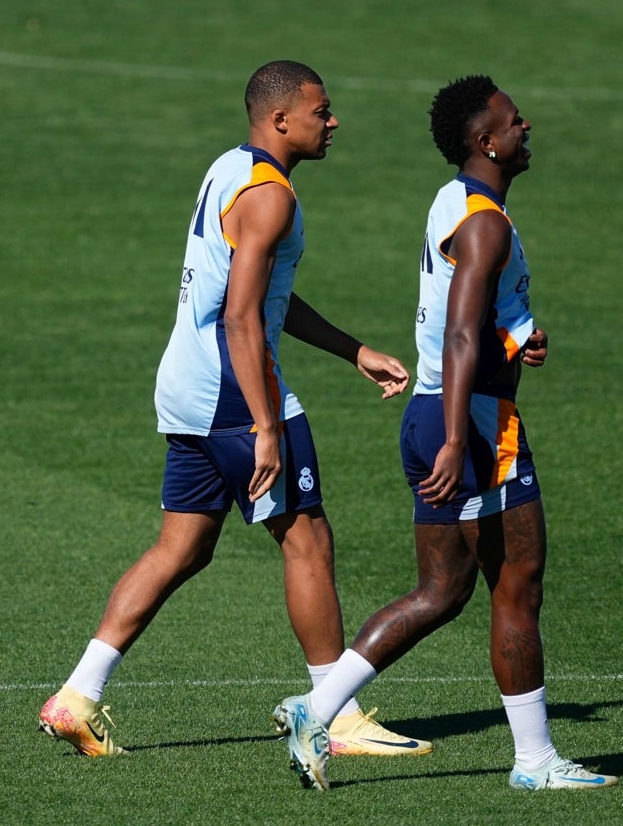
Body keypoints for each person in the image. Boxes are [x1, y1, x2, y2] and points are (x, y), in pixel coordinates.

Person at [38, 60, 431, 760]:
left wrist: (354, 350)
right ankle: (333, 717)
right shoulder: (270, 197)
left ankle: (76, 697)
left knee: (181, 546)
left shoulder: (231, 169)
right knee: (306, 538)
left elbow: (263, 291)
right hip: (233, 393)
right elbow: (243, 320)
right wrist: (267, 426)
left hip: (186, 385)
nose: (333, 121)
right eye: (322, 110)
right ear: (281, 120)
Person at [272, 75, 618, 791]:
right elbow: (460, 332)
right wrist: (462, 439)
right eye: (514, 121)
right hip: (472, 424)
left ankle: (319, 707)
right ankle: (535, 762)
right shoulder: (487, 223)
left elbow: (469, 318)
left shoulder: (454, 201)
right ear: (485, 140)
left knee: (442, 591)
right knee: (515, 586)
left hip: (438, 412)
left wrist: (519, 336)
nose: (527, 127)